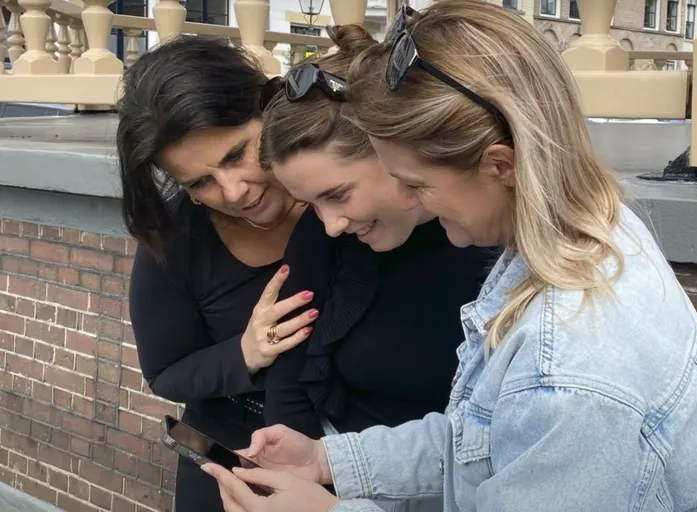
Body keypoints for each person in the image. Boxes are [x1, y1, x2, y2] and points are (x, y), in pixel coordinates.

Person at [202, 1, 697, 511]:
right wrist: (331, 462)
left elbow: (536, 413)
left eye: (417, 185)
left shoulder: (567, 369)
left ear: (500, 165)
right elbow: (489, 441)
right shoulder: (588, 233)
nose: (405, 200)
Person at [120, 31, 496, 512]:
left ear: (270, 112)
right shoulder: (177, 238)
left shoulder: (422, 222)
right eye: (200, 182)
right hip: (251, 453)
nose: (233, 191)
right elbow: (169, 372)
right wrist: (245, 354)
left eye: (238, 154)